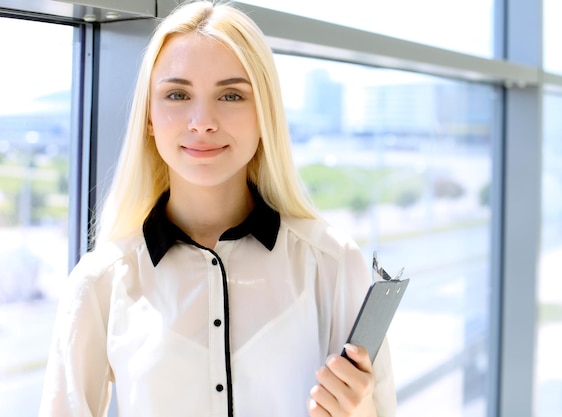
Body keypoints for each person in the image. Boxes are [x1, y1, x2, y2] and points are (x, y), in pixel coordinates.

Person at [39, 1, 396, 416]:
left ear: (264, 113)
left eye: (230, 95)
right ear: (150, 117)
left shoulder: (334, 263)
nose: (202, 121)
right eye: (177, 94)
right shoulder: (99, 283)